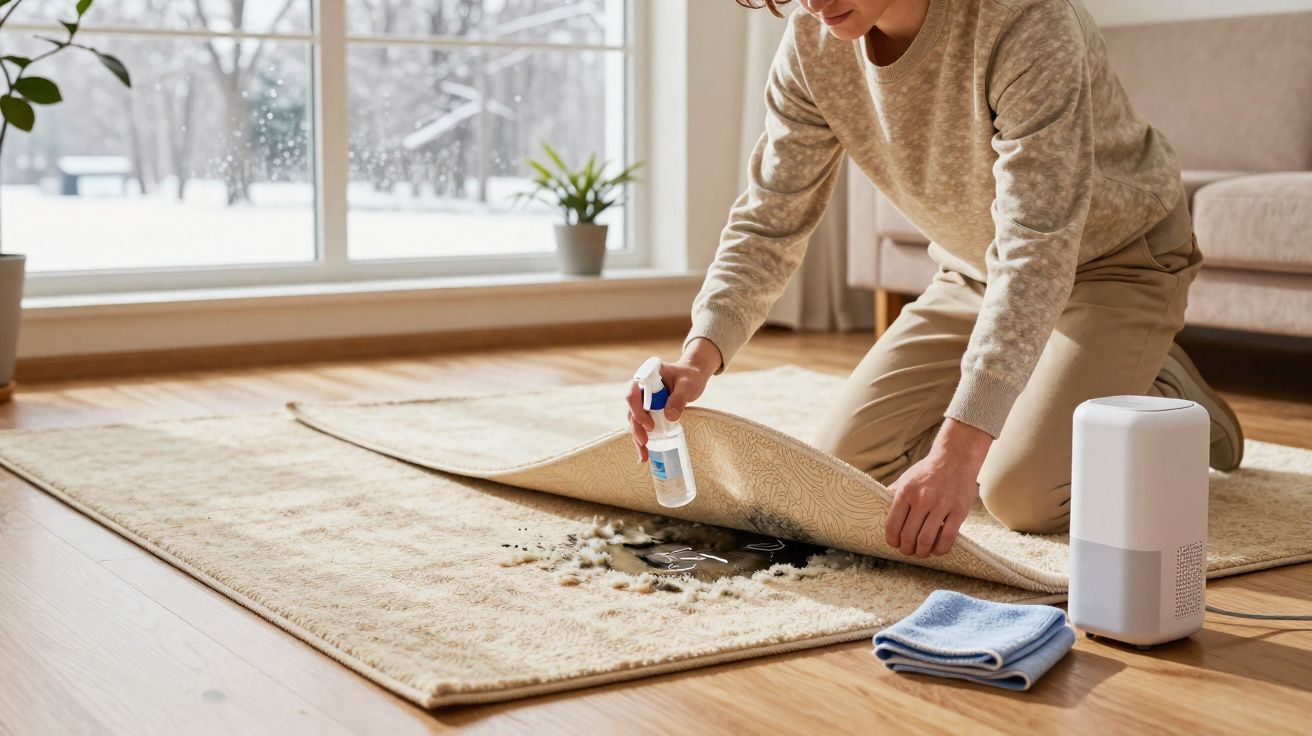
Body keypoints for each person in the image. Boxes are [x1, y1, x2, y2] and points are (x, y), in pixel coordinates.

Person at [625, 0, 1243, 559]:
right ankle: (1086, 381)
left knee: (1022, 495)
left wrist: (959, 451)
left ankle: (1164, 399)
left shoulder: (1026, 19)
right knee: (848, 468)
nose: (812, 3)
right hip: (975, 272)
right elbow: (770, 218)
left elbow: (1038, 246)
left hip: (1116, 262)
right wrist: (699, 356)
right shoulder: (812, 42)